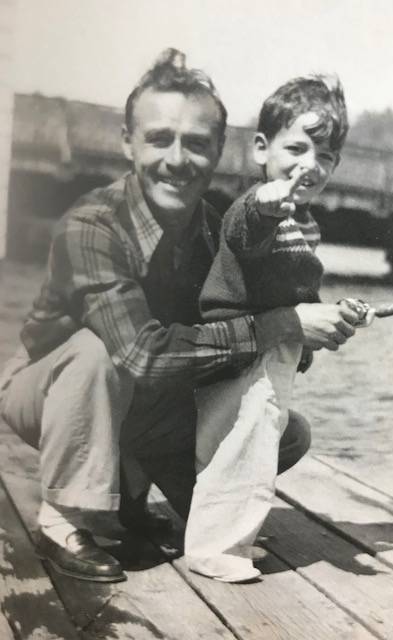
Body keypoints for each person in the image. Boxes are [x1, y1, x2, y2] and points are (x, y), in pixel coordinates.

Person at [0, 49, 360, 584]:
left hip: (145, 395)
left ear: (219, 151)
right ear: (128, 143)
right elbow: (141, 355)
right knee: (96, 352)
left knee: (284, 431)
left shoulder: (217, 229)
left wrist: (311, 330)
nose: (177, 159)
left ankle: (136, 489)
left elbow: (248, 334)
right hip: (52, 389)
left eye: (196, 143)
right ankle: (65, 519)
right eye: (158, 139)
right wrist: (284, 324)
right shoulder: (90, 225)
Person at [184, 74, 362, 582]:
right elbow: (243, 231)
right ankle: (210, 546)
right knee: (238, 440)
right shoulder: (257, 205)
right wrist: (265, 203)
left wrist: (333, 315)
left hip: (274, 347)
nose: (310, 164)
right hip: (239, 351)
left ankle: (235, 534)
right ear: (262, 149)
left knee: (260, 441)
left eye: (325, 156)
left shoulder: (306, 223)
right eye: (297, 148)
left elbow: (299, 292)